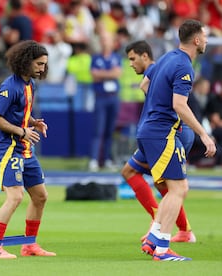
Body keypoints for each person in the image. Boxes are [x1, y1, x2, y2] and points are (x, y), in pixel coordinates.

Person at [138, 19, 216, 261]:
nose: (206, 40)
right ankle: (162, 248)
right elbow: (179, 105)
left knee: (175, 188)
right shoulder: (184, 66)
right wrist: (204, 134)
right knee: (179, 188)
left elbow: (144, 84)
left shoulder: (166, 57)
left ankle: (154, 238)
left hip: (149, 129)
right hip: (161, 132)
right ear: (196, 40)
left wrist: (156, 107)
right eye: (205, 36)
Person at [0, 40, 56, 259]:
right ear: (26, 61)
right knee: (15, 197)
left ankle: (29, 245)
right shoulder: (10, 86)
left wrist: (33, 123)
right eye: (39, 64)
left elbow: (19, 114)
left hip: (26, 149)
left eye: (44, 64)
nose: (42, 68)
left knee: (41, 196)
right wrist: (22, 131)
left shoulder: (29, 84)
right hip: (9, 149)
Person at [122, 40, 196, 243]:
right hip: (169, 130)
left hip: (170, 131)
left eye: (132, 58)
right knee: (141, 175)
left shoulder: (157, 67)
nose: (131, 63)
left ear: (145, 56)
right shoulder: (169, 64)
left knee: (168, 183)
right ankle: (182, 230)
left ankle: (161, 227)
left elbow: (143, 85)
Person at [88, 30, 122, 171]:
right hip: (101, 97)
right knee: (98, 130)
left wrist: (103, 74)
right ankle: (94, 159)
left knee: (110, 130)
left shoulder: (116, 57)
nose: (104, 42)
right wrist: (109, 74)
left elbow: (118, 73)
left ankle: (107, 158)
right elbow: (94, 75)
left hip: (113, 97)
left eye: (107, 39)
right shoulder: (95, 58)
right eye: (102, 40)